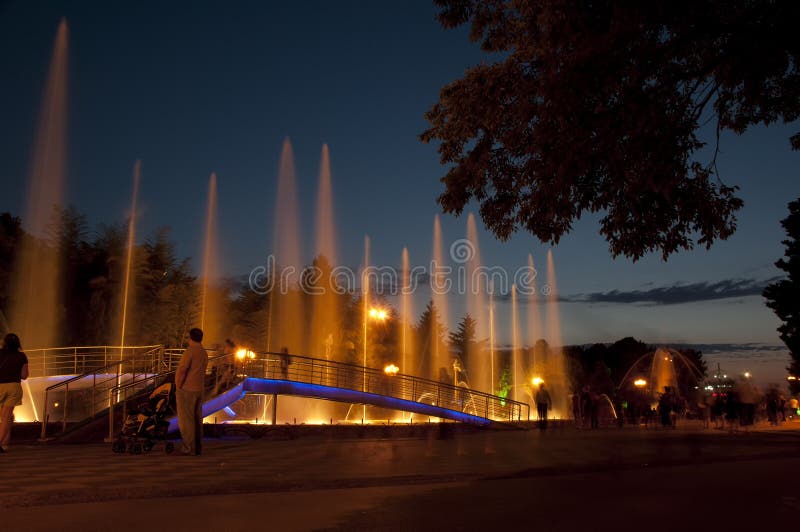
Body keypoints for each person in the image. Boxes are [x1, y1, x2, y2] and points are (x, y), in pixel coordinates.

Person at [175, 328, 208, 456]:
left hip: (187, 389)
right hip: (199, 389)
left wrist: (178, 385)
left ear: (190, 337)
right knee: (197, 420)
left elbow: (183, 370)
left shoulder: (190, 352)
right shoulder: (203, 353)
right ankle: (197, 447)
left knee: (186, 420)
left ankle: (188, 447)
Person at [0, 333, 29, 453]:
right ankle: (2, 442)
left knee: (4, 416)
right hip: (13, 387)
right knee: (7, 417)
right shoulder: (21, 356)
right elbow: (24, 376)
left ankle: (4, 443)